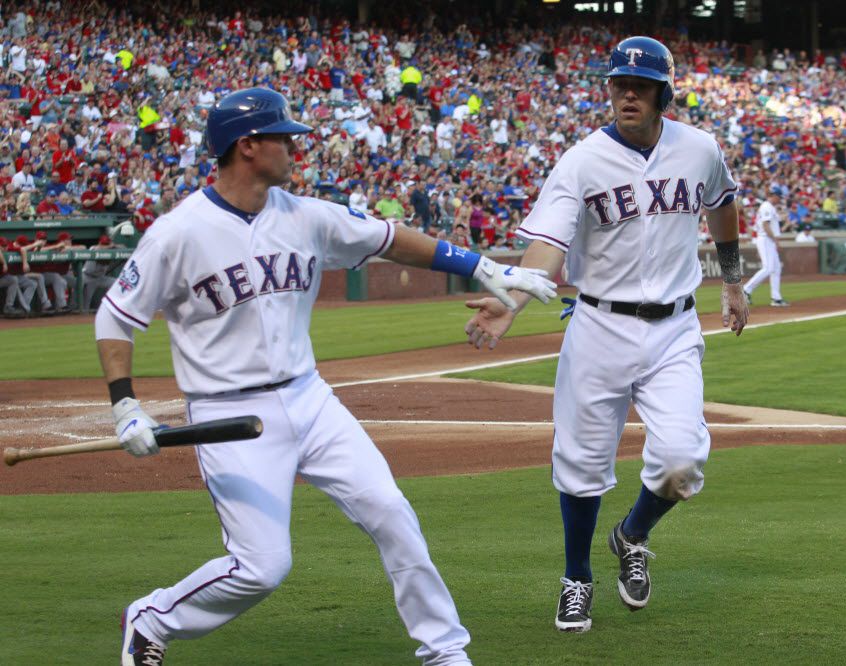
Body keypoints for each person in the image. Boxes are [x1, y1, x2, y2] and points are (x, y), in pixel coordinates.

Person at [98, 88, 555, 666]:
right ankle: (153, 617)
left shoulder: (306, 215)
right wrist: (124, 406)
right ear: (248, 146)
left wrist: (482, 266)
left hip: (310, 399)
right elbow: (115, 315)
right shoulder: (178, 232)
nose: (295, 146)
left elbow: (392, 240)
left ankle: (444, 651)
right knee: (262, 567)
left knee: (391, 511)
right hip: (228, 418)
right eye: (283, 137)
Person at [462, 37, 748, 633]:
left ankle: (632, 534)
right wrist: (511, 299)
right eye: (619, 83)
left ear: (663, 94)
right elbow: (548, 243)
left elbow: (722, 205)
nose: (627, 94)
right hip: (598, 325)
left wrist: (734, 279)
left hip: (673, 326)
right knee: (581, 464)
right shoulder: (582, 160)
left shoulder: (698, 149)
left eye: (640, 86)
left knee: (681, 461)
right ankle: (576, 578)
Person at [742, 186, 789, 306]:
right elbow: (765, 225)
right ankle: (745, 290)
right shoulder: (767, 206)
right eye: (779, 196)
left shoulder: (769, 207)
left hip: (767, 240)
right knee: (768, 268)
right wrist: (775, 240)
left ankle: (776, 298)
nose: (780, 199)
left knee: (776, 268)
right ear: (774, 195)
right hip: (766, 239)